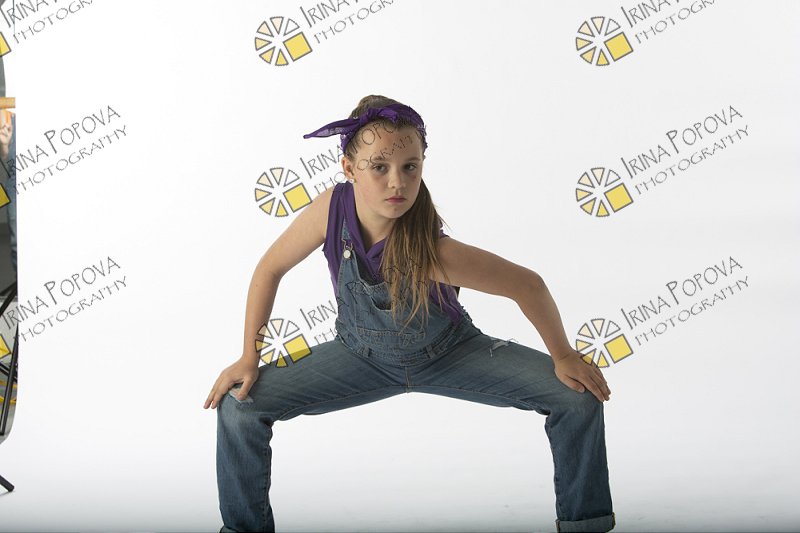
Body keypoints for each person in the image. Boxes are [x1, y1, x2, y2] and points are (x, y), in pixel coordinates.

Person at [205, 95, 615, 533]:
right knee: (239, 408)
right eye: (379, 167)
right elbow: (269, 269)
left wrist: (563, 355)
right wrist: (249, 356)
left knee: (577, 398)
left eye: (410, 167)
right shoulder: (331, 210)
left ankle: (584, 524)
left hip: (450, 354)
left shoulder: (433, 251)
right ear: (349, 168)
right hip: (357, 356)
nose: (396, 182)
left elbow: (527, 285)